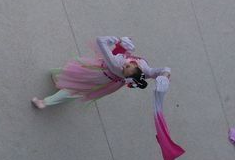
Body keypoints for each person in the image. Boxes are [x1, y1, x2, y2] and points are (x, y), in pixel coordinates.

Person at [32, 36, 173, 115]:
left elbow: (100, 41)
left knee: (74, 88)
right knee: (66, 75)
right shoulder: (144, 70)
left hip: (97, 73)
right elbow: (160, 71)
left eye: (125, 68)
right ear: (137, 67)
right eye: (128, 65)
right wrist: (165, 75)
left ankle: (45, 102)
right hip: (106, 77)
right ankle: (59, 79)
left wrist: (117, 40)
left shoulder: (115, 64)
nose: (124, 65)